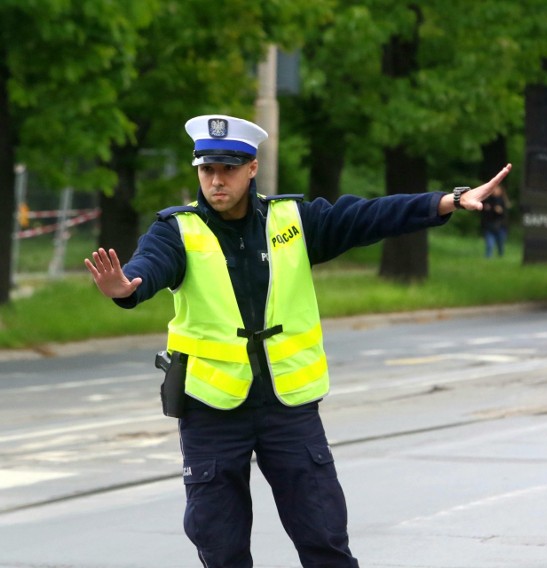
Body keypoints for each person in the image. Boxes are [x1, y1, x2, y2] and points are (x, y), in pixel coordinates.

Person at [84, 114, 511, 568]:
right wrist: (128, 287)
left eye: (227, 169)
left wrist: (448, 200)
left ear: (251, 169)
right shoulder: (177, 231)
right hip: (212, 410)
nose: (216, 180)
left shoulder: (291, 221)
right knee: (221, 548)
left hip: (287, 408)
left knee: (324, 539)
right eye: (207, 170)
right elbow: (150, 264)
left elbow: (366, 216)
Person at [480, 183, 510, 258]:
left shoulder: (503, 202)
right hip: (489, 226)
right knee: (489, 244)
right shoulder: (487, 200)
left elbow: (505, 215)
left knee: (500, 244)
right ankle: (488, 257)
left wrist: (501, 211)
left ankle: (500, 256)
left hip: (500, 226)